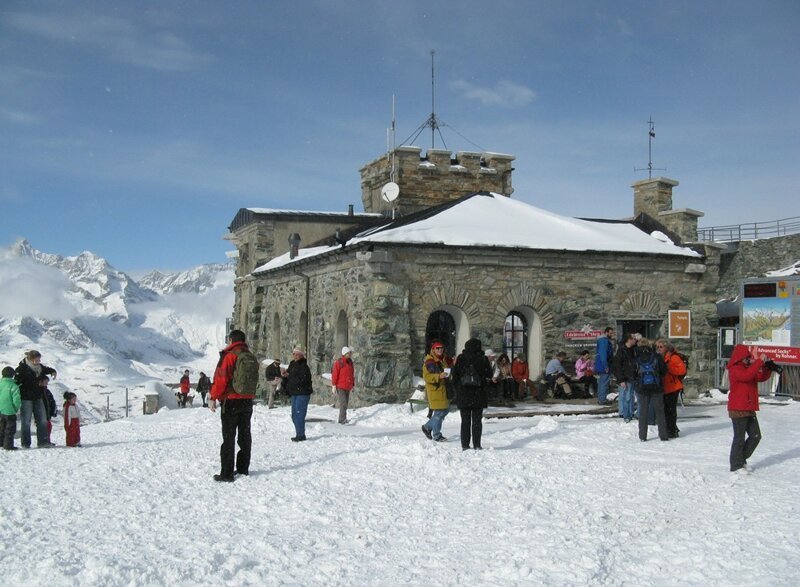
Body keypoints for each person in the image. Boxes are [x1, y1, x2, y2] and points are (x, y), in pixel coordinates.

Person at [209, 330, 258, 481]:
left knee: (229, 437)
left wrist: (213, 397)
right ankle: (243, 468)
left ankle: (227, 473)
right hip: (247, 400)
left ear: (231, 340)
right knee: (245, 435)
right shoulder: (250, 356)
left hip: (231, 401)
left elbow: (221, 378)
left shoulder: (230, 355)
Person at [726, 344, 771, 473]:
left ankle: (740, 459)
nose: (748, 359)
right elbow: (747, 376)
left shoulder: (747, 368)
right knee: (739, 438)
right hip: (738, 408)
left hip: (748, 407)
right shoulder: (735, 369)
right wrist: (759, 361)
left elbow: (759, 377)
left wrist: (767, 368)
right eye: (746, 357)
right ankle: (736, 465)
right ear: (740, 358)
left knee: (755, 436)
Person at [452, 338, 493, 450]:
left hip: (464, 394)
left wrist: (459, 388)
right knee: (477, 421)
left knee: (465, 421)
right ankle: (477, 444)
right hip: (478, 394)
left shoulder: (461, 358)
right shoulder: (483, 358)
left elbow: (454, 376)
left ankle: (465, 445)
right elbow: (490, 374)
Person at [15, 350, 57, 448]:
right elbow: (18, 383)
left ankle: (43, 442)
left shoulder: (40, 367)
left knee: (42, 420)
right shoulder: (21, 369)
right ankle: (25, 444)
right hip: (26, 398)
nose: (37, 362)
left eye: (39, 360)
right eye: (36, 360)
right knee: (26, 421)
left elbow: (47, 369)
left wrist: (53, 371)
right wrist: (36, 383)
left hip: (38, 397)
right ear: (30, 359)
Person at [634, 338, 669, 442]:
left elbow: (632, 373)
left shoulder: (636, 358)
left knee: (643, 412)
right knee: (660, 411)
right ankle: (663, 435)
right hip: (656, 388)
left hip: (642, 388)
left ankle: (642, 436)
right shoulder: (657, 357)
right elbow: (664, 371)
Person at [656, 339, 687, 438]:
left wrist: (668, 369)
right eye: (657, 347)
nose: (659, 349)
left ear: (666, 347)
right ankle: (671, 428)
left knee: (670, 410)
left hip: (673, 387)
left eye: (661, 347)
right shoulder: (661, 357)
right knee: (666, 410)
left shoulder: (674, 357)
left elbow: (682, 370)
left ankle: (672, 430)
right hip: (665, 387)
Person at [421, 341, 450, 442]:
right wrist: (439, 376)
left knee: (445, 410)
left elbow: (445, 371)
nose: (440, 350)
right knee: (439, 413)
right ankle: (437, 435)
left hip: (442, 390)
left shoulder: (442, 360)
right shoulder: (429, 362)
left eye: (441, 348)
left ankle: (427, 427)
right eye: (437, 348)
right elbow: (427, 377)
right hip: (435, 391)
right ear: (433, 349)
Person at [282, 347, 313, 442]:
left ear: (302, 355)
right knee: (294, 415)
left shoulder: (304, 367)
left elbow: (302, 380)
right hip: (294, 392)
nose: (295, 356)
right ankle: (299, 433)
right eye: (293, 354)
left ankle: (301, 434)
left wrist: (289, 375)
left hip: (302, 393)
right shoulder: (292, 365)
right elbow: (290, 378)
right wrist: (285, 376)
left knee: (299, 414)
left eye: (297, 354)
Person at [613, 334, 638, 422]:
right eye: (634, 339)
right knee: (625, 396)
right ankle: (624, 414)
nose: (635, 340)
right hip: (625, 377)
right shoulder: (622, 351)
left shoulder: (633, 350)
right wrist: (621, 379)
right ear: (629, 340)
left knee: (630, 396)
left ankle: (629, 413)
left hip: (632, 376)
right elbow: (617, 366)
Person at [331, 346, 355, 425]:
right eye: (348, 353)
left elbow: (351, 374)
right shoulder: (339, 362)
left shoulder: (350, 362)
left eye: (350, 353)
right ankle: (342, 420)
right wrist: (334, 385)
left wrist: (352, 384)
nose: (350, 354)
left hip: (347, 386)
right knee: (343, 402)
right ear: (344, 354)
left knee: (346, 403)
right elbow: (335, 374)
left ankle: (344, 418)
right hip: (340, 386)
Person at [0, 366, 22, 451]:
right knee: (10, 429)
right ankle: (8, 445)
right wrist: (15, 408)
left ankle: (1, 442)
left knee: (1, 427)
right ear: (12, 375)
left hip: (1, 410)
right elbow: (16, 400)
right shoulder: (14, 386)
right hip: (10, 411)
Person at [595, 326, 615, 405]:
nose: (611, 335)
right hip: (604, 365)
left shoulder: (602, 340)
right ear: (606, 332)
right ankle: (602, 399)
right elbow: (603, 354)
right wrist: (605, 365)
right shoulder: (604, 341)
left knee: (601, 382)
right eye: (610, 333)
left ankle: (601, 398)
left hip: (601, 365)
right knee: (604, 382)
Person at [39, 375, 57, 444]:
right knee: (44, 427)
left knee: (48, 427)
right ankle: (44, 441)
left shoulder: (47, 391)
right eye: (45, 381)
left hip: (47, 413)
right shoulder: (39, 391)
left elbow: (52, 401)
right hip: (42, 413)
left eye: (47, 382)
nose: (46, 383)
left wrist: (53, 411)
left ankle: (47, 440)